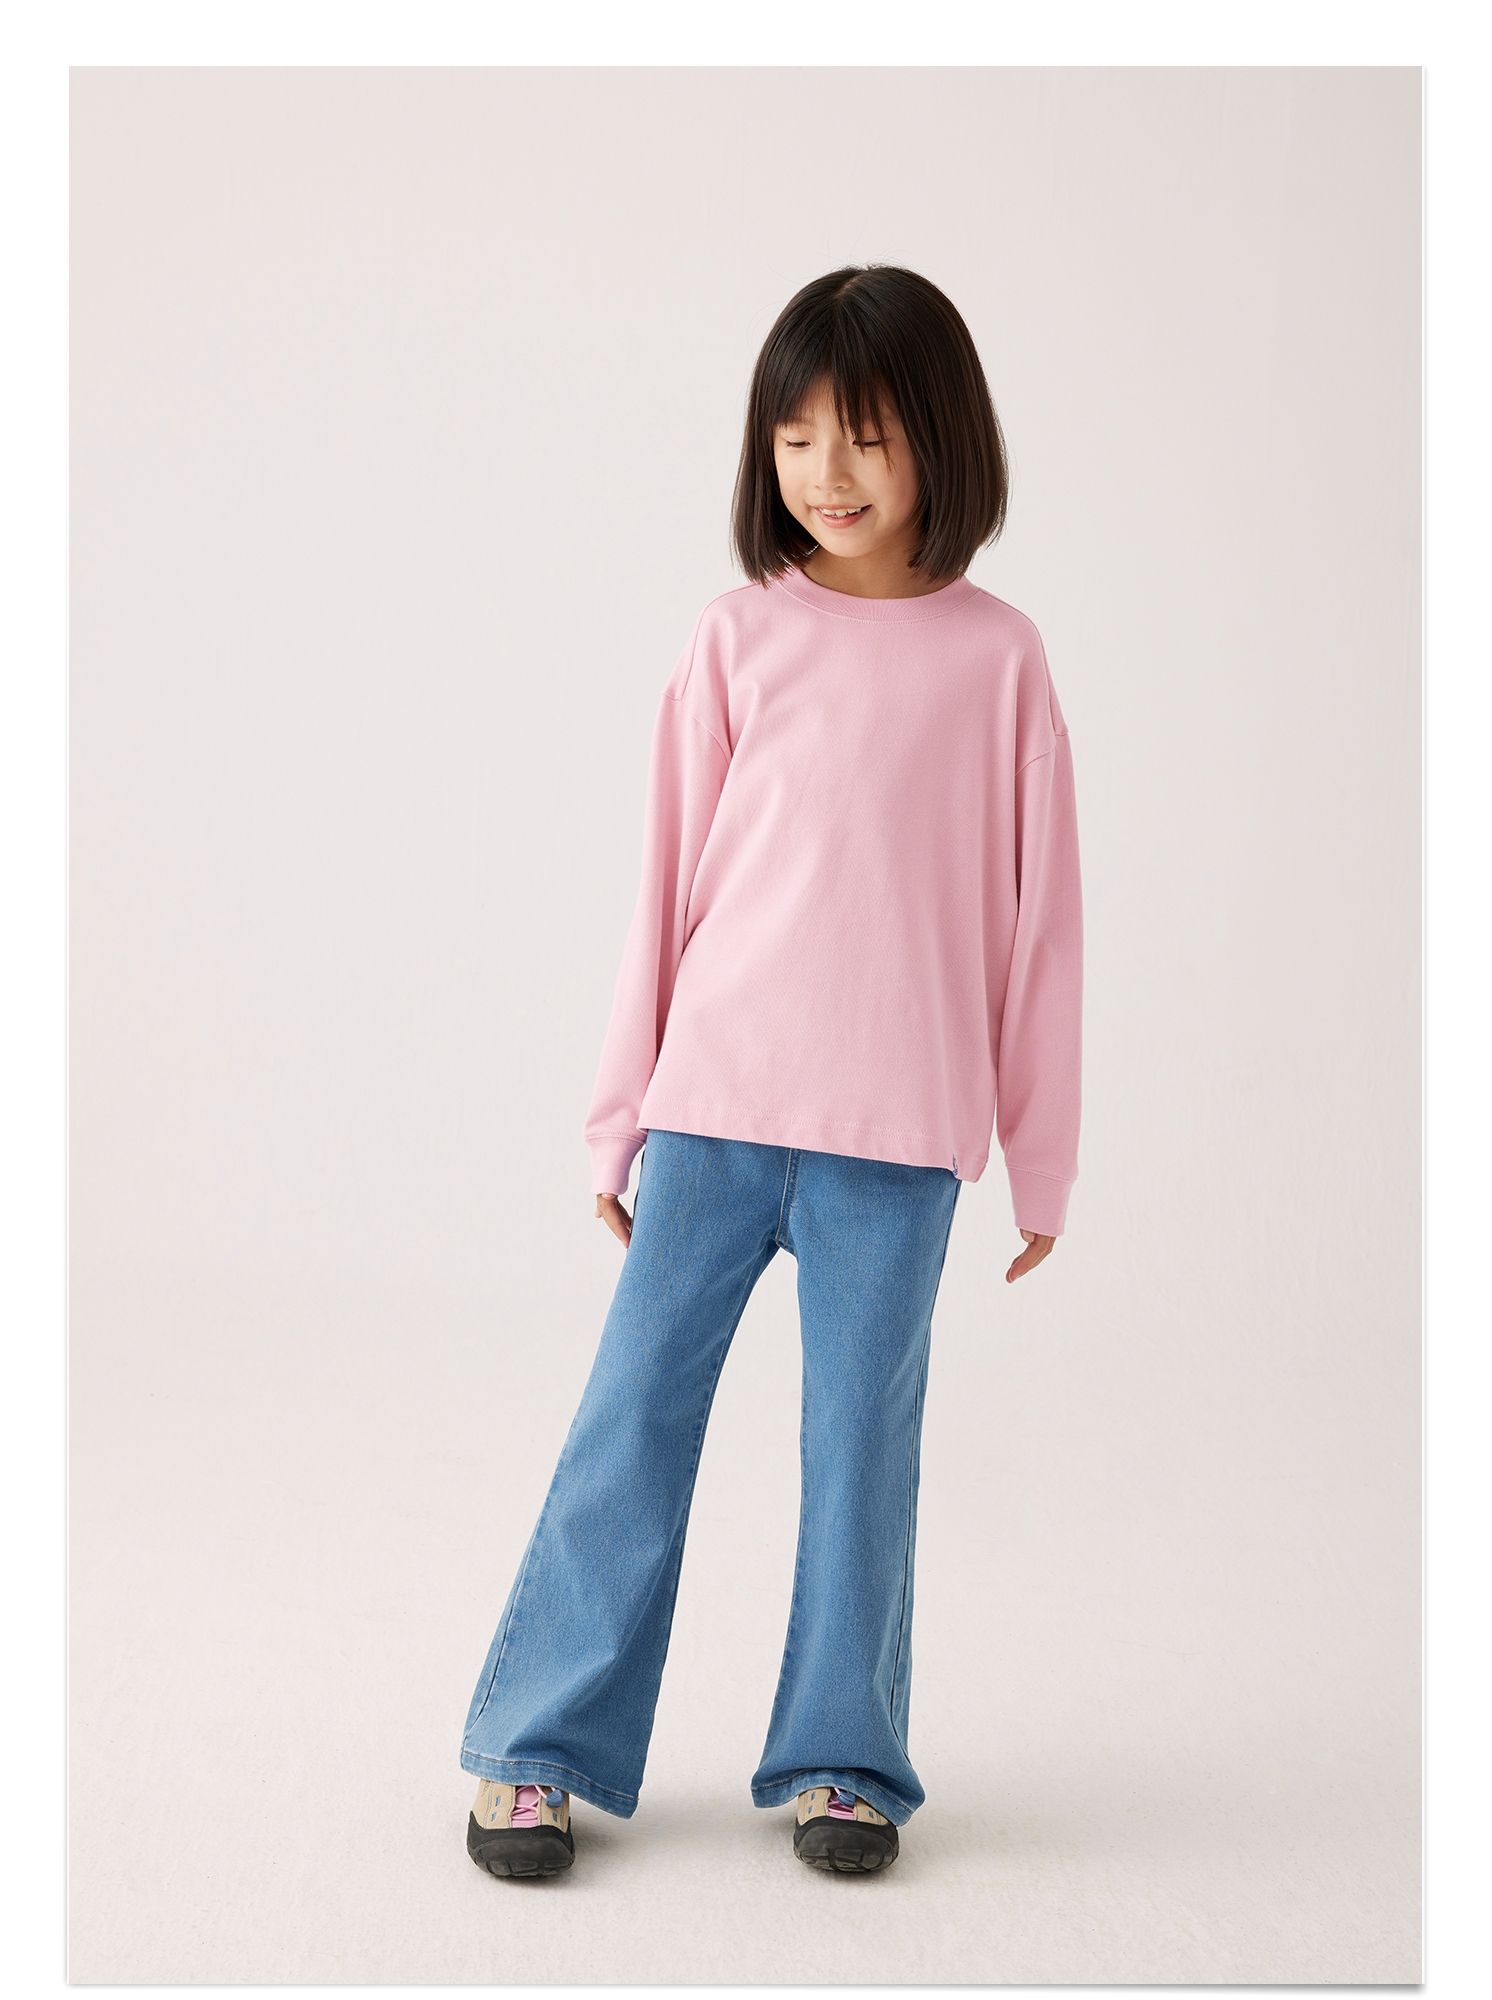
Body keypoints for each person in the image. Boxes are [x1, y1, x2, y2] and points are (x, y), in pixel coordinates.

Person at [460, 263, 1084, 1879]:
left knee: (862, 1453)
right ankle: (538, 1748)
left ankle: (843, 1759)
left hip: (901, 1139)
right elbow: (664, 883)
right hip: (716, 1115)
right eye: (796, 436)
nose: (828, 471)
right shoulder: (736, 638)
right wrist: (618, 1115)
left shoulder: (1001, 660)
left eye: (866, 433)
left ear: (942, 435)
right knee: (632, 1425)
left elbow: (1042, 927)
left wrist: (1042, 1153)